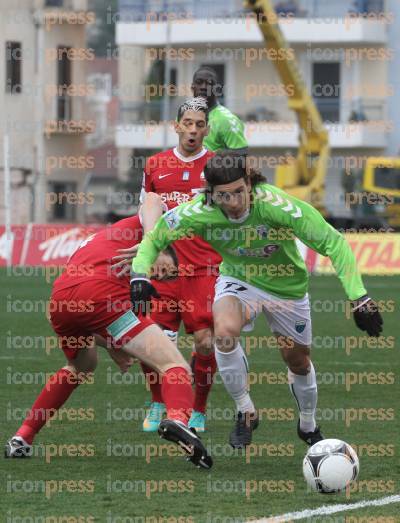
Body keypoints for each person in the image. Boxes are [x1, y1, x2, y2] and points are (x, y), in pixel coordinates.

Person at [129, 151, 383, 449]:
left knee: (298, 361)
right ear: (210, 195)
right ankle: (246, 411)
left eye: (239, 192)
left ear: (249, 183)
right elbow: (155, 238)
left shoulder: (277, 206)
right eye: (224, 196)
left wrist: (359, 297)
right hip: (239, 280)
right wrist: (139, 274)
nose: (234, 202)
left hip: (287, 288)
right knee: (222, 333)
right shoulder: (197, 210)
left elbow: (333, 242)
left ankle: (308, 424)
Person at [4, 198, 212, 469]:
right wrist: (152, 243)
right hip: (99, 296)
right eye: (167, 270)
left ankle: (23, 436)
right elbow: (152, 199)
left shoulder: (103, 241)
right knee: (174, 365)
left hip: (62, 300)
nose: (160, 274)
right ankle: (178, 420)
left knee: (81, 366)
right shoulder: (149, 231)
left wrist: (113, 344)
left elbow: (90, 308)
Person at [112, 98, 221, 433]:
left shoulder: (217, 165)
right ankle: (159, 401)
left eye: (199, 124)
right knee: (154, 340)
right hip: (162, 268)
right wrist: (150, 246)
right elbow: (148, 207)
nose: (193, 129)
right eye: (187, 123)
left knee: (205, 341)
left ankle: (198, 408)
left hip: (203, 267)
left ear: (206, 129)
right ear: (176, 126)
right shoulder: (155, 164)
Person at [191, 67, 248, 152]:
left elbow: (241, 156)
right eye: (199, 82)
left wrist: (209, 161)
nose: (203, 87)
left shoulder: (227, 120)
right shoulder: (184, 116)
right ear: (192, 88)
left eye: (209, 83)